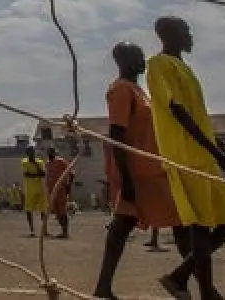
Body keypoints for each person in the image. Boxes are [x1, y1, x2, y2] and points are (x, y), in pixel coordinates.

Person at [147, 16, 225, 300]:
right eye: (185, 31)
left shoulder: (186, 69)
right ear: (167, 34)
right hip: (184, 156)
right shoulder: (159, 64)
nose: (190, 36)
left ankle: (179, 277)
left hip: (204, 157)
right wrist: (218, 154)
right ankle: (205, 293)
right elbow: (178, 112)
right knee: (201, 227)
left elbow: (198, 120)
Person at [93, 42, 184, 300]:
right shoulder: (121, 90)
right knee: (180, 224)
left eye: (142, 55)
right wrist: (127, 179)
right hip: (140, 173)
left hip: (152, 170)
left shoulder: (140, 91)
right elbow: (117, 134)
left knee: (124, 227)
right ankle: (192, 282)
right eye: (137, 56)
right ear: (122, 61)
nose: (143, 60)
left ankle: (185, 279)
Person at [46, 147, 73, 239]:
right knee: (57, 212)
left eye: (52, 152)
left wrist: (69, 186)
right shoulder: (48, 163)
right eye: (49, 152)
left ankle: (66, 232)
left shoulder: (61, 161)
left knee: (63, 211)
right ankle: (62, 231)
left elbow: (71, 173)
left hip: (61, 190)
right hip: (52, 192)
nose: (50, 154)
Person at [21, 146, 48, 238]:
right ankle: (32, 230)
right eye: (29, 152)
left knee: (43, 210)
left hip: (40, 188)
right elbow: (26, 174)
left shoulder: (40, 162)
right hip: (30, 189)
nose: (31, 154)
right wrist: (36, 174)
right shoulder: (24, 162)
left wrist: (35, 165)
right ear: (27, 153)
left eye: (32, 152)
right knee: (28, 209)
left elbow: (43, 174)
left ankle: (45, 230)